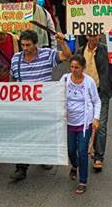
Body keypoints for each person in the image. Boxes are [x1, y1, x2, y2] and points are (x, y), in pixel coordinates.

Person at [9, 29, 72, 182]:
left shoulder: (48, 54)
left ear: (36, 44)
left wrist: (62, 42)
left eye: (28, 45)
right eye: (22, 45)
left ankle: (44, 158)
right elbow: (12, 79)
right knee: (23, 136)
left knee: (43, 133)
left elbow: (67, 56)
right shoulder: (16, 58)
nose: (25, 48)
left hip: (44, 104)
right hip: (24, 106)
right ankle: (21, 168)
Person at [61, 54, 101, 195]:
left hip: (84, 123)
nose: (73, 70)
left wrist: (96, 118)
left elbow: (97, 101)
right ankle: (75, 165)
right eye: (71, 67)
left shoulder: (89, 82)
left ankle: (83, 180)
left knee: (82, 151)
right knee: (71, 150)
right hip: (69, 122)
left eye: (77, 67)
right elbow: (58, 96)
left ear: (83, 68)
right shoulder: (65, 79)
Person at [75, 33, 112, 171]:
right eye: (90, 35)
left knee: (101, 125)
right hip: (84, 94)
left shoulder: (106, 50)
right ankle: (84, 152)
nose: (93, 38)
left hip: (101, 92)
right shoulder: (80, 51)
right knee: (85, 123)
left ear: (100, 35)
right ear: (85, 36)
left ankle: (99, 156)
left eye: (95, 35)